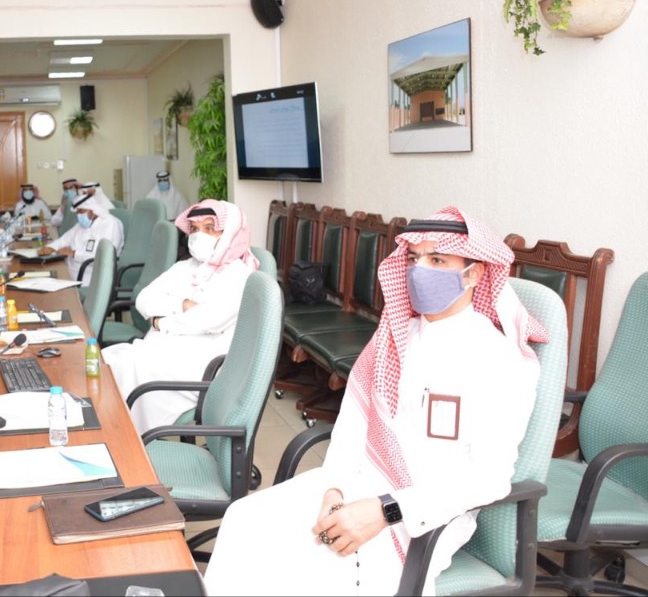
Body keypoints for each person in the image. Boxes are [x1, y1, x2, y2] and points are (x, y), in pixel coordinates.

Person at [204, 206, 547, 597]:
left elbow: (488, 478)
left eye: (438, 260)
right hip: (356, 484)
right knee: (246, 519)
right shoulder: (393, 337)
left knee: (317, 566)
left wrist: (386, 510)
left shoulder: (501, 360)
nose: (420, 271)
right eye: (414, 259)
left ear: (474, 274)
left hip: (426, 512)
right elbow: (353, 425)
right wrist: (334, 490)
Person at [102, 199, 259, 435]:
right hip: (163, 349)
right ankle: (113, 435)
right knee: (107, 361)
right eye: (194, 229)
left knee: (125, 367)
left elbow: (208, 320)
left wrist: (160, 321)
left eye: (209, 228)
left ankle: (126, 440)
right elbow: (144, 299)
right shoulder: (186, 267)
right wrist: (182, 304)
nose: (199, 235)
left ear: (229, 233)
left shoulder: (240, 275)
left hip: (199, 363)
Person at [38, 192, 123, 285]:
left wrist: (74, 253)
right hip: (70, 271)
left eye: (81, 211)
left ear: (93, 210)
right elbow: (64, 240)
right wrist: (51, 247)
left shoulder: (111, 225)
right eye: (77, 212)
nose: (79, 215)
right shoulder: (81, 225)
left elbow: (104, 258)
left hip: (90, 277)